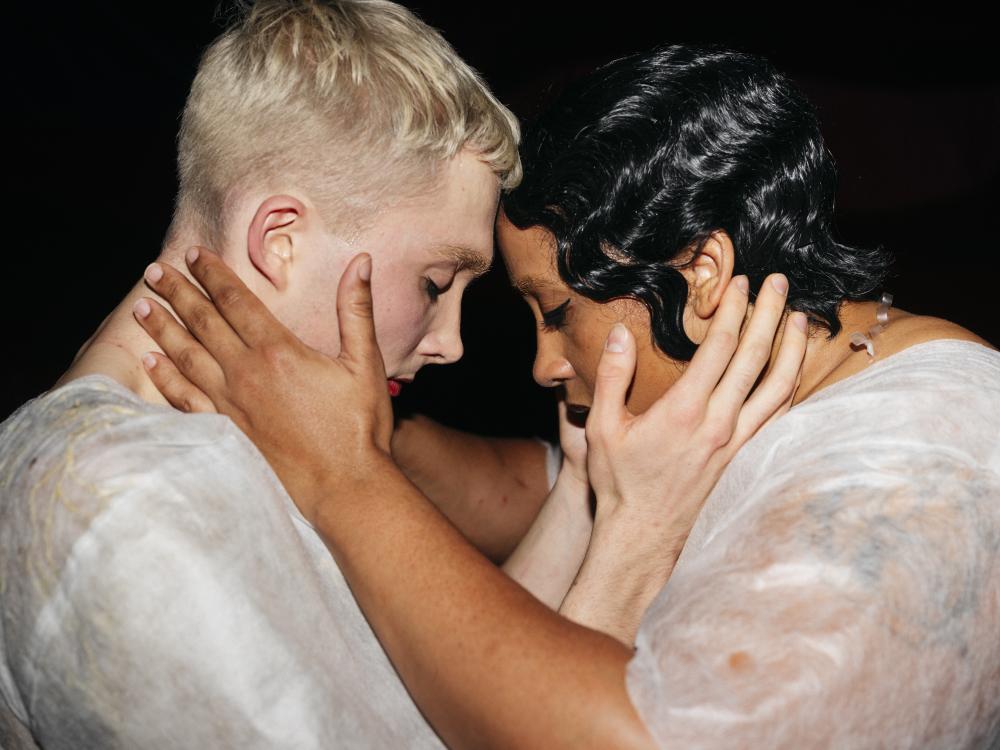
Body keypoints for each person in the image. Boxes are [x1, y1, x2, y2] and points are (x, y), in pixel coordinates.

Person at [136, 44, 1000, 748]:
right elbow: (525, 487)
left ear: (701, 273)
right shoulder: (779, 400)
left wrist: (341, 474)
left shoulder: (920, 455)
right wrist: (339, 418)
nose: (544, 365)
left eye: (557, 314)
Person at [0, 1, 526, 746]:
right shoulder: (123, 500)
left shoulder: (204, 453)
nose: (452, 344)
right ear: (280, 239)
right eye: (436, 284)